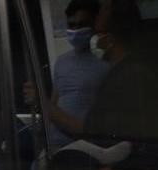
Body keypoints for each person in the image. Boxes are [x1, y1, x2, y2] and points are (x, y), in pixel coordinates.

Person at [45, 0, 111, 148]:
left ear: (95, 24)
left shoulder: (107, 63)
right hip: (57, 146)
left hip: (88, 148)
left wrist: (41, 101)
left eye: (82, 24)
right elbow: (55, 103)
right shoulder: (61, 62)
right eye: (71, 25)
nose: (76, 31)